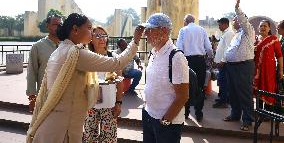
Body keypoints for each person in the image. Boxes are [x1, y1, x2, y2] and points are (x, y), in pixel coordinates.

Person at [26, 13, 144, 143]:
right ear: (75, 30)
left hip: (54, 122)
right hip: (63, 128)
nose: (92, 32)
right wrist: (136, 40)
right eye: (89, 28)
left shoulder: (60, 50)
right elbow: (117, 63)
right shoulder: (76, 54)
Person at [141, 13, 189, 143]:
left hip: (167, 121)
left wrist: (166, 120)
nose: (146, 34)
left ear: (164, 30)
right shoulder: (153, 53)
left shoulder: (176, 57)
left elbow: (183, 96)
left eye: (150, 30)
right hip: (149, 115)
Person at [82, 26, 123, 143]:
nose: (102, 39)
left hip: (109, 106)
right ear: (91, 39)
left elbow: (119, 83)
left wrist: (119, 103)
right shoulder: (87, 57)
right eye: (98, 36)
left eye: (104, 35)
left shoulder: (113, 57)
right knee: (90, 138)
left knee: (109, 139)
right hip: (90, 106)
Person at [223, 0, 255, 131]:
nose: (233, 21)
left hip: (243, 66)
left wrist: (237, 9)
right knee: (233, 92)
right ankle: (235, 115)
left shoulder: (248, 31)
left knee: (244, 93)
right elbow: (231, 50)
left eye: (235, 19)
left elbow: (243, 20)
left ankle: (247, 120)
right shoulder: (237, 35)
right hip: (232, 66)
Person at [176, 13, 213, 122]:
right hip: (200, 61)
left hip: (187, 61)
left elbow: (179, 47)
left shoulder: (183, 30)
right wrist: (210, 57)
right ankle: (198, 112)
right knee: (200, 87)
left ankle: (186, 112)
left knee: (186, 86)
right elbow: (209, 48)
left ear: (186, 21)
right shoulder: (202, 30)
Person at [26, 14, 62, 113]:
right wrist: (32, 99)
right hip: (44, 96)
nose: (58, 27)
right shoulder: (37, 47)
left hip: (65, 96)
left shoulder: (66, 46)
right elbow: (31, 73)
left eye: (60, 24)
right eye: (55, 24)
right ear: (48, 26)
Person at [254, 20, 283, 110]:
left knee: (268, 88)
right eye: (261, 26)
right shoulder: (256, 40)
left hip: (269, 70)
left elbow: (279, 55)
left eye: (265, 26)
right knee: (258, 87)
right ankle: (259, 110)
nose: (263, 27)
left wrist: (281, 70)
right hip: (257, 70)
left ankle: (267, 112)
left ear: (269, 28)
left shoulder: (273, 39)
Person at [213, 17, 235, 108]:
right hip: (222, 62)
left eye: (220, 25)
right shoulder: (225, 33)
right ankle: (223, 98)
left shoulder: (229, 33)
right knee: (221, 81)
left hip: (225, 63)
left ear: (225, 24)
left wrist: (222, 61)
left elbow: (227, 49)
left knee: (224, 81)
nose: (219, 27)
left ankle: (224, 101)